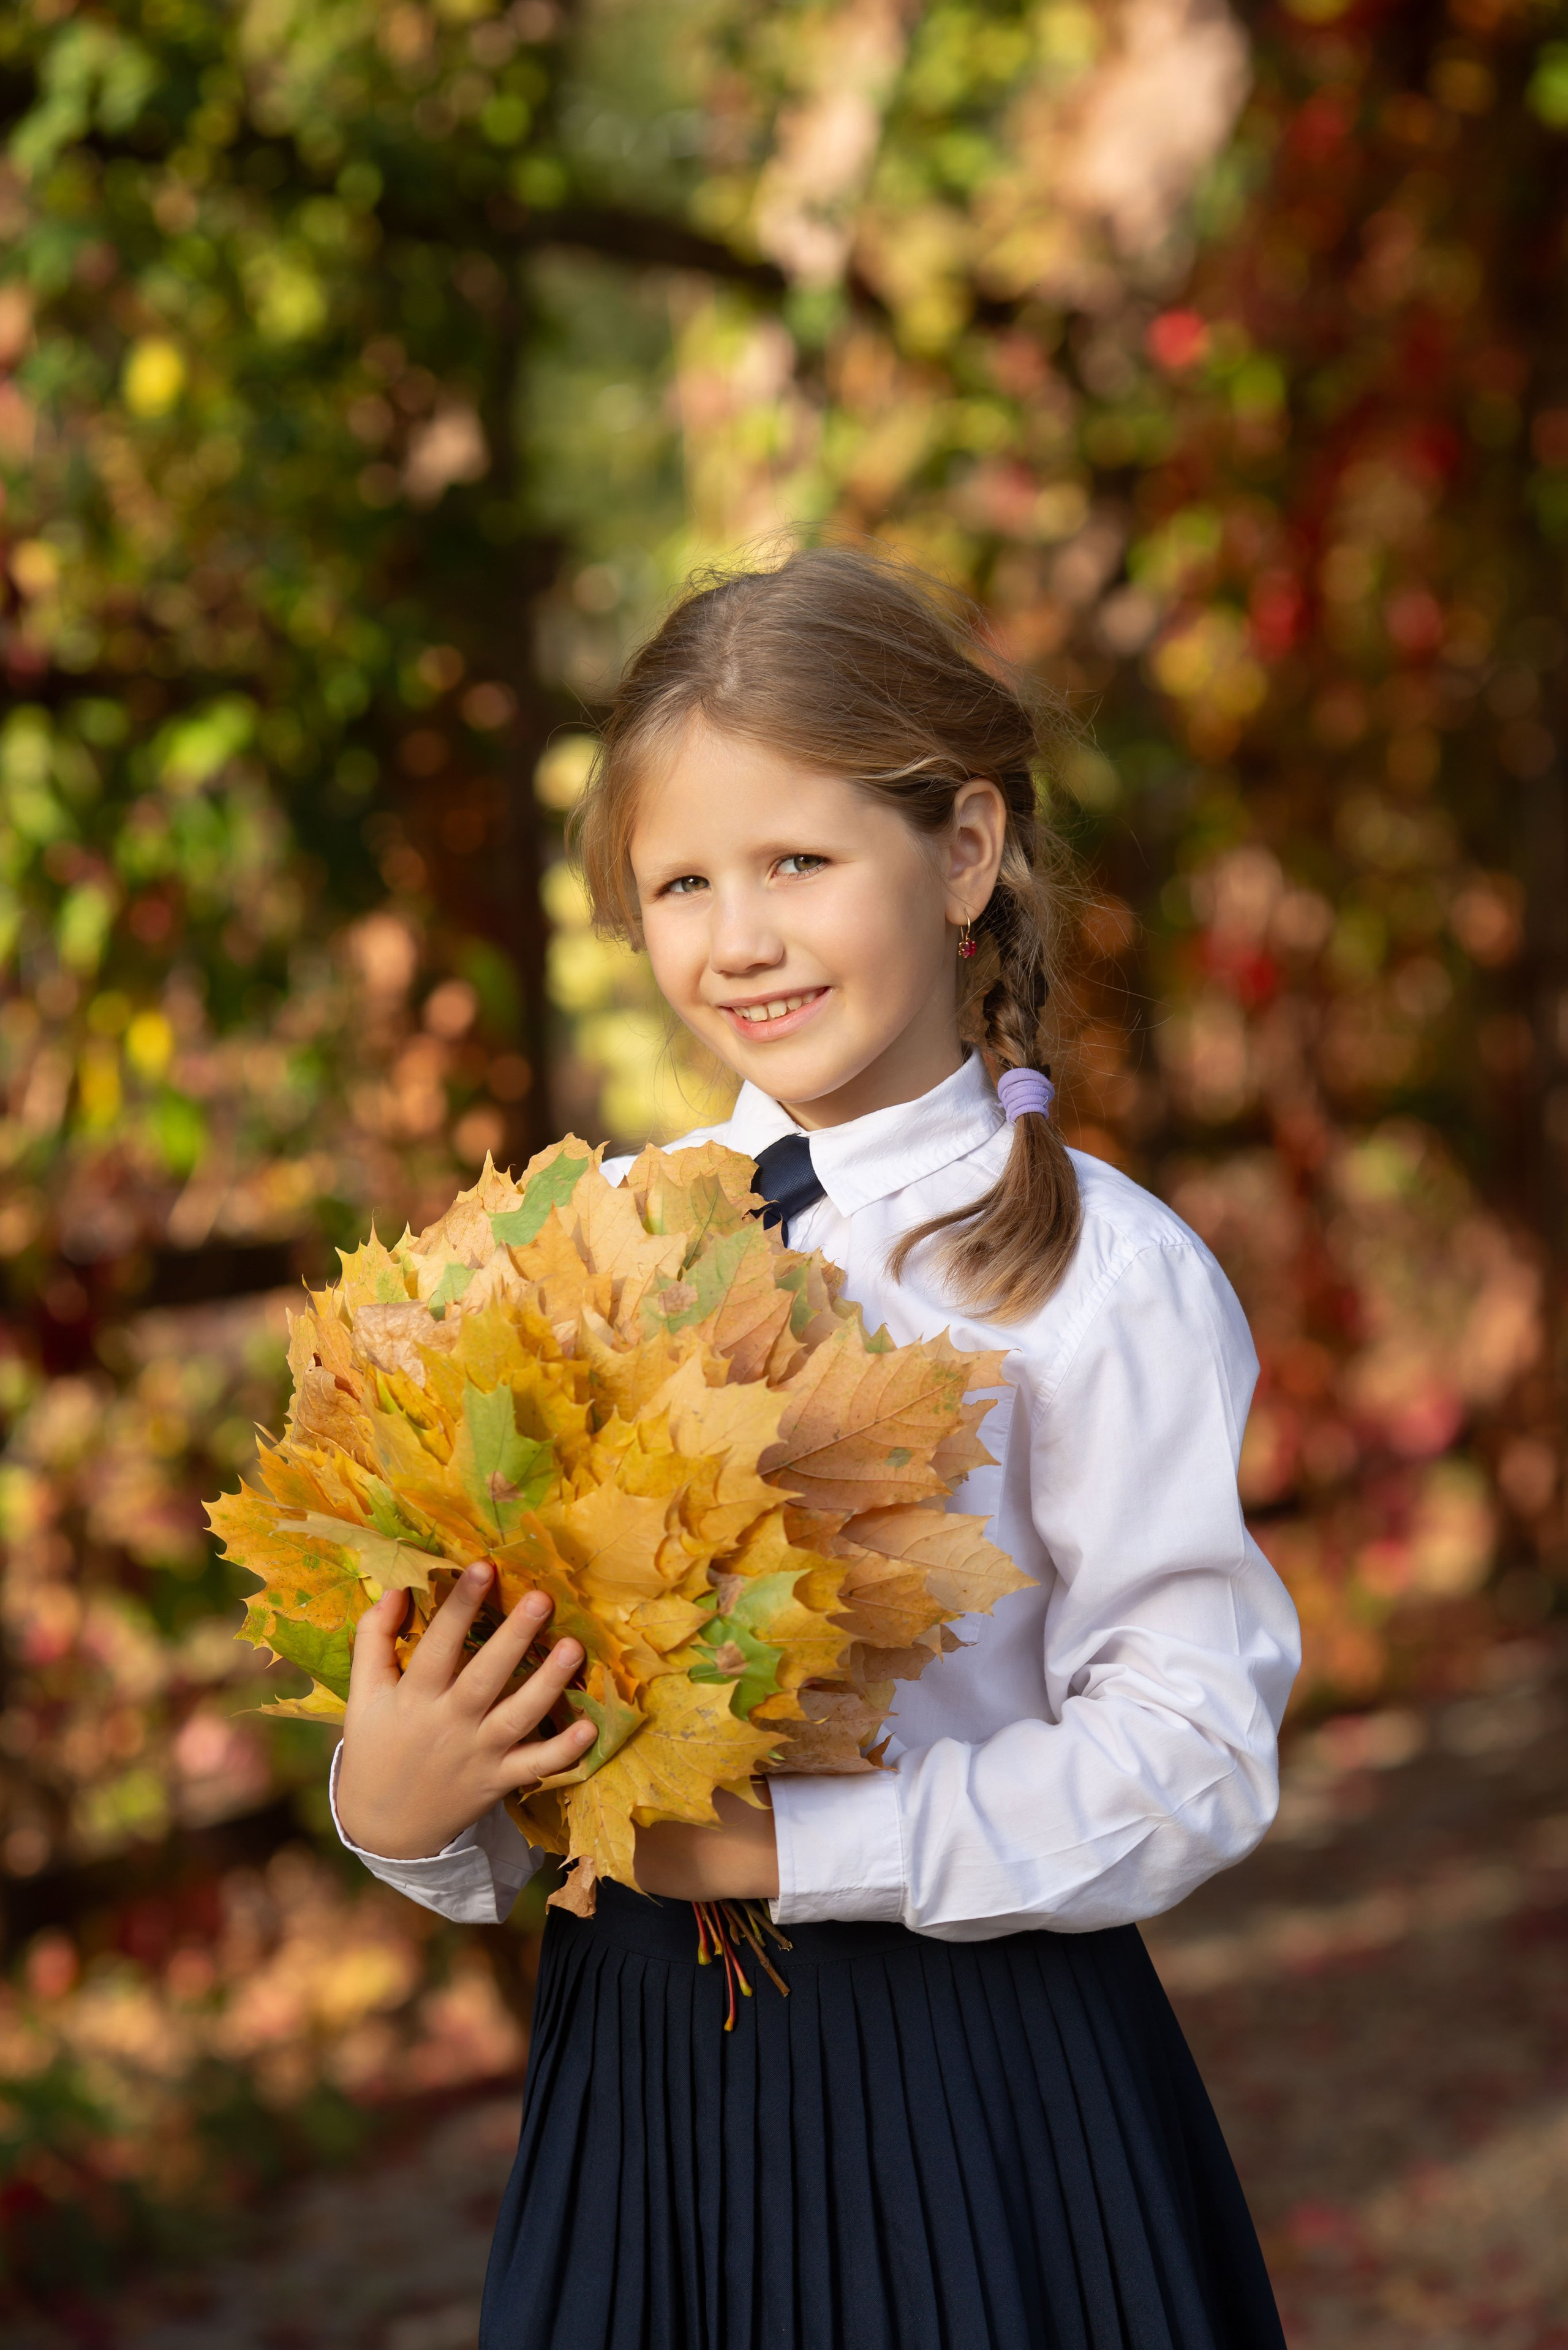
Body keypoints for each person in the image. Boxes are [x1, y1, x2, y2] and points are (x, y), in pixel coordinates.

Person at [333, 546, 1300, 2350]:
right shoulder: (574, 1249)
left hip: (967, 2096)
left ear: (961, 854)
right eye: (681, 880)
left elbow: (1192, 1754)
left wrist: (803, 1850)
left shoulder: (1095, 1272)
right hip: (641, 2107)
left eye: (798, 861)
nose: (741, 935)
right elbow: (503, 1702)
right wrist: (406, 1823)